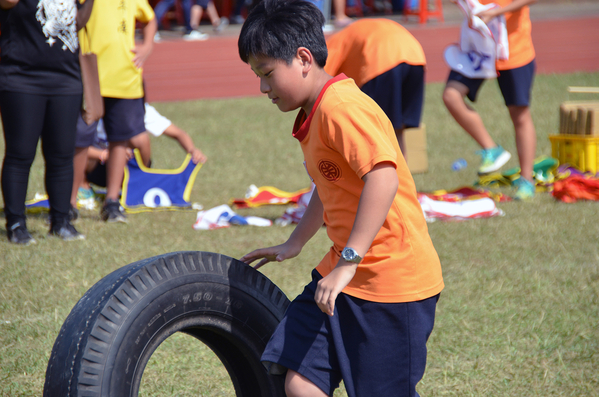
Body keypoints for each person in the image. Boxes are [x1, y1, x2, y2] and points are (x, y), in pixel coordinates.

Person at [237, 1, 444, 396]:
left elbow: (382, 178)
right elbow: (329, 185)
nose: (263, 88)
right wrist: (295, 242)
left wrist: (349, 261)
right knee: (299, 381)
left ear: (302, 58)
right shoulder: (315, 112)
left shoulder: (341, 107)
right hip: (340, 278)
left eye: (267, 74)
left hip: (390, 285)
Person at [0, 0, 95, 243]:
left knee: (62, 154)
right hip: (22, 78)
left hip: (66, 79)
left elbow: (77, 22)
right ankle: (16, 225)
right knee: (20, 155)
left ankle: (61, 221)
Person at [442, 0, 538, 200]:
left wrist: (497, 13)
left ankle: (526, 180)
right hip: (478, 49)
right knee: (451, 95)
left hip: (513, 51)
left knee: (519, 114)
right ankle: (491, 149)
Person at [83, 0, 157, 223]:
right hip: (89, 73)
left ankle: (112, 202)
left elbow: (150, 18)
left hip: (125, 77)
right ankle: (68, 203)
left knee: (120, 140)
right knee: (77, 140)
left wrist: (148, 45)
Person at [71, 103, 207, 217]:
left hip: (128, 167)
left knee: (141, 138)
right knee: (76, 149)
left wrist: (192, 150)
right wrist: (106, 154)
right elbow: (74, 144)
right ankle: (84, 191)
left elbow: (178, 133)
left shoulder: (141, 110)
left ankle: (140, 182)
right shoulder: (93, 109)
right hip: (97, 166)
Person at [324, 18, 426, 156]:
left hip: (382, 59)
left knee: (375, 131)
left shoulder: (331, 45)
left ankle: (383, 176)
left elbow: (322, 81)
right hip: (416, 57)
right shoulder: (355, 32)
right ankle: (403, 174)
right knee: (397, 129)